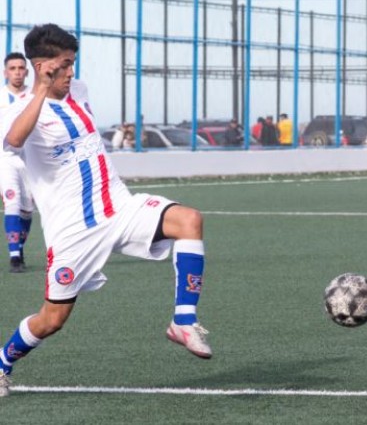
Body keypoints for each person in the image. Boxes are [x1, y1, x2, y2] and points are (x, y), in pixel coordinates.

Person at [0, 24, 213, 397]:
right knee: (52, 320)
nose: (70, 74)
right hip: (73, 233)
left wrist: (57, 82)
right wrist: (40, 89)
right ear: (41, 66)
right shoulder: (20, 110)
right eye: (63, 66)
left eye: (72, 65)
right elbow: (14, 139)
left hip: (119, 207)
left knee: (189, 220)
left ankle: (183, 321)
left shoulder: (78, 91)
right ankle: (3, 363)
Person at [0, 53, 35, 273]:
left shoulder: (33, 97)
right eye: (12, 68)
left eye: (21, 68)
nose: (17, 72)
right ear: (5, 72)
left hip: (30, 159)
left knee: (27, 209)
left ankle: (19, 248)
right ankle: (14, 257)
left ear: (27, 72)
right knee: (11, 201)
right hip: (5, 158)